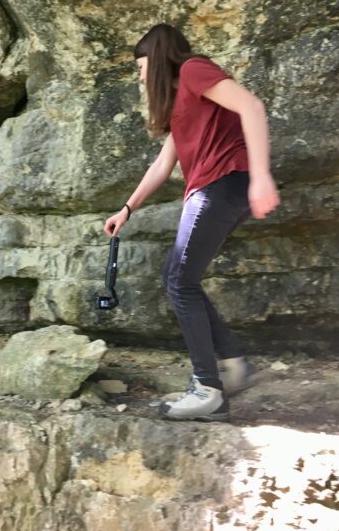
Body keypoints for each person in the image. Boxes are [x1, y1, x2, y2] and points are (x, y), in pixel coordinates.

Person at [103, 23, 281, 422]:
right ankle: (233, 364)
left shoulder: (192, 70)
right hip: (218, 187)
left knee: (179, 281)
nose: (141, 75)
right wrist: (127, 209)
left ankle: (208, 389)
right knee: (180, 277)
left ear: (158, 56)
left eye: (141, 65)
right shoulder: (181, 105)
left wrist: (262, 174)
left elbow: (251, 106)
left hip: (222, 184)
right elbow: (163, 164)